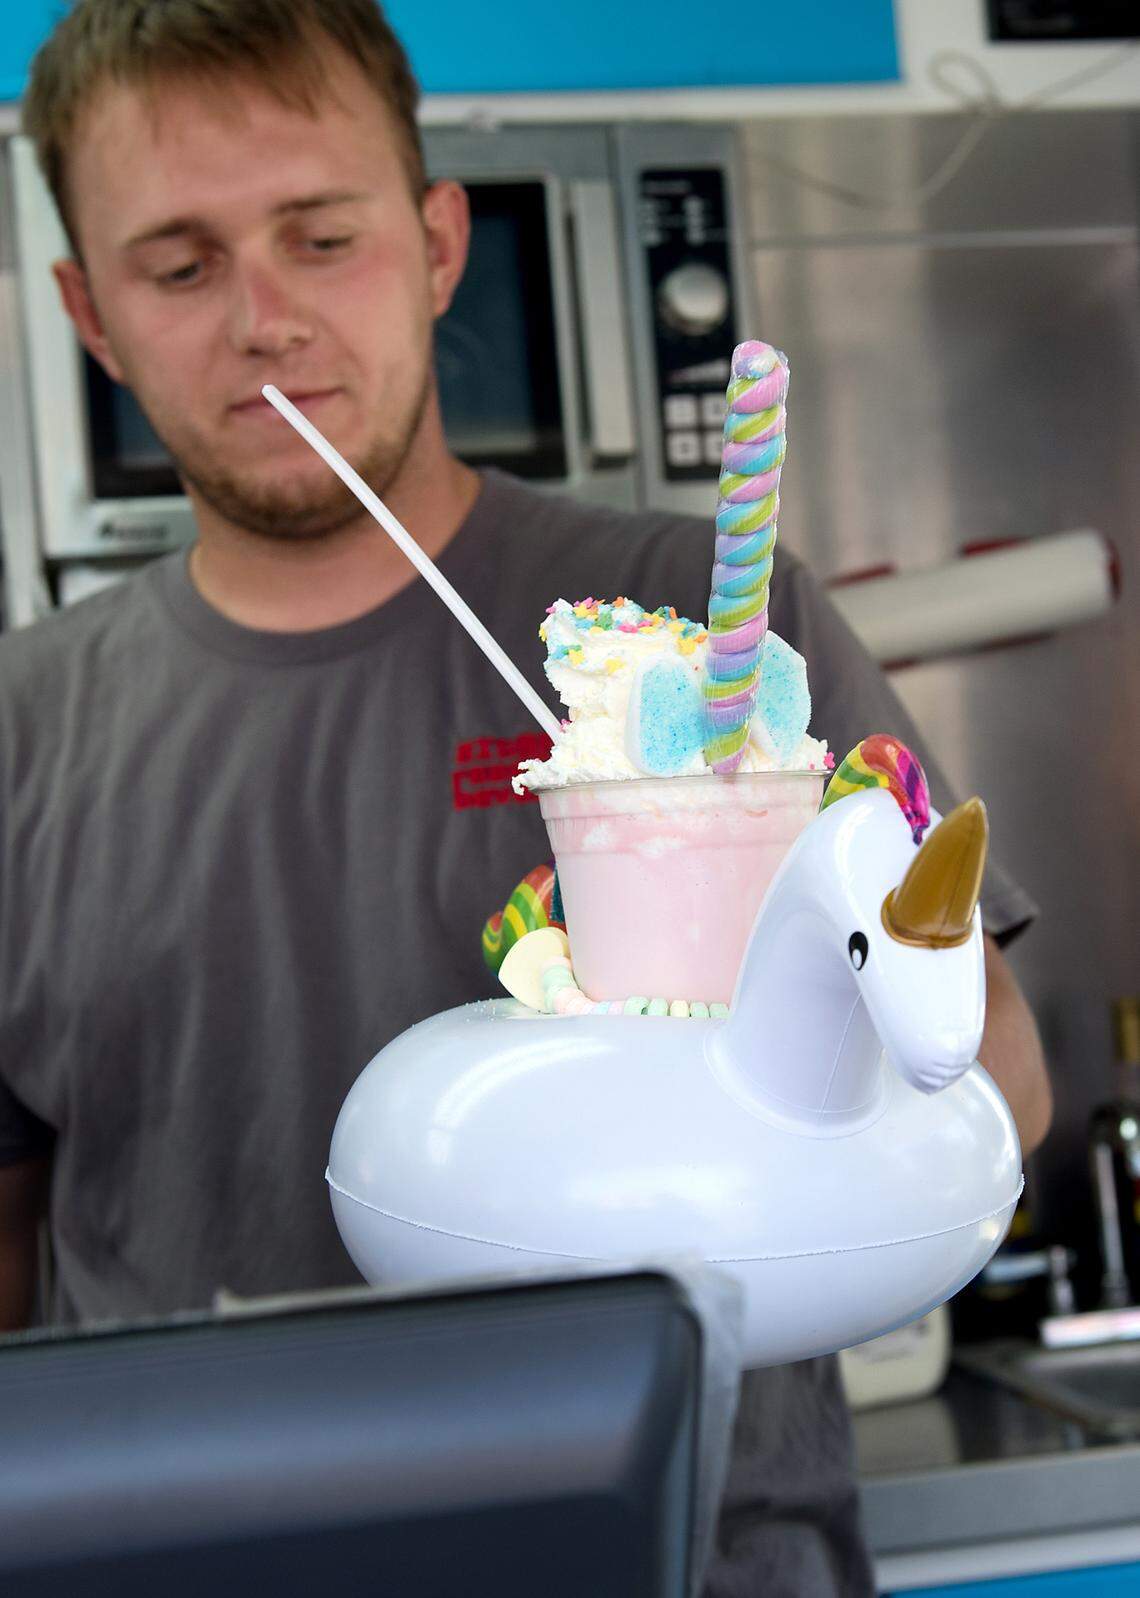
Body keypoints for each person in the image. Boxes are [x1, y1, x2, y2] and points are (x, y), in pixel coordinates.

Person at [0, 2, 1051, 1592]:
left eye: (321, 235)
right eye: (181, 263)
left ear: (436, 247)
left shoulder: (715, 642)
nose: (264, 319)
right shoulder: (22, 730)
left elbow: (1001, 1083)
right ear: (89, 311)